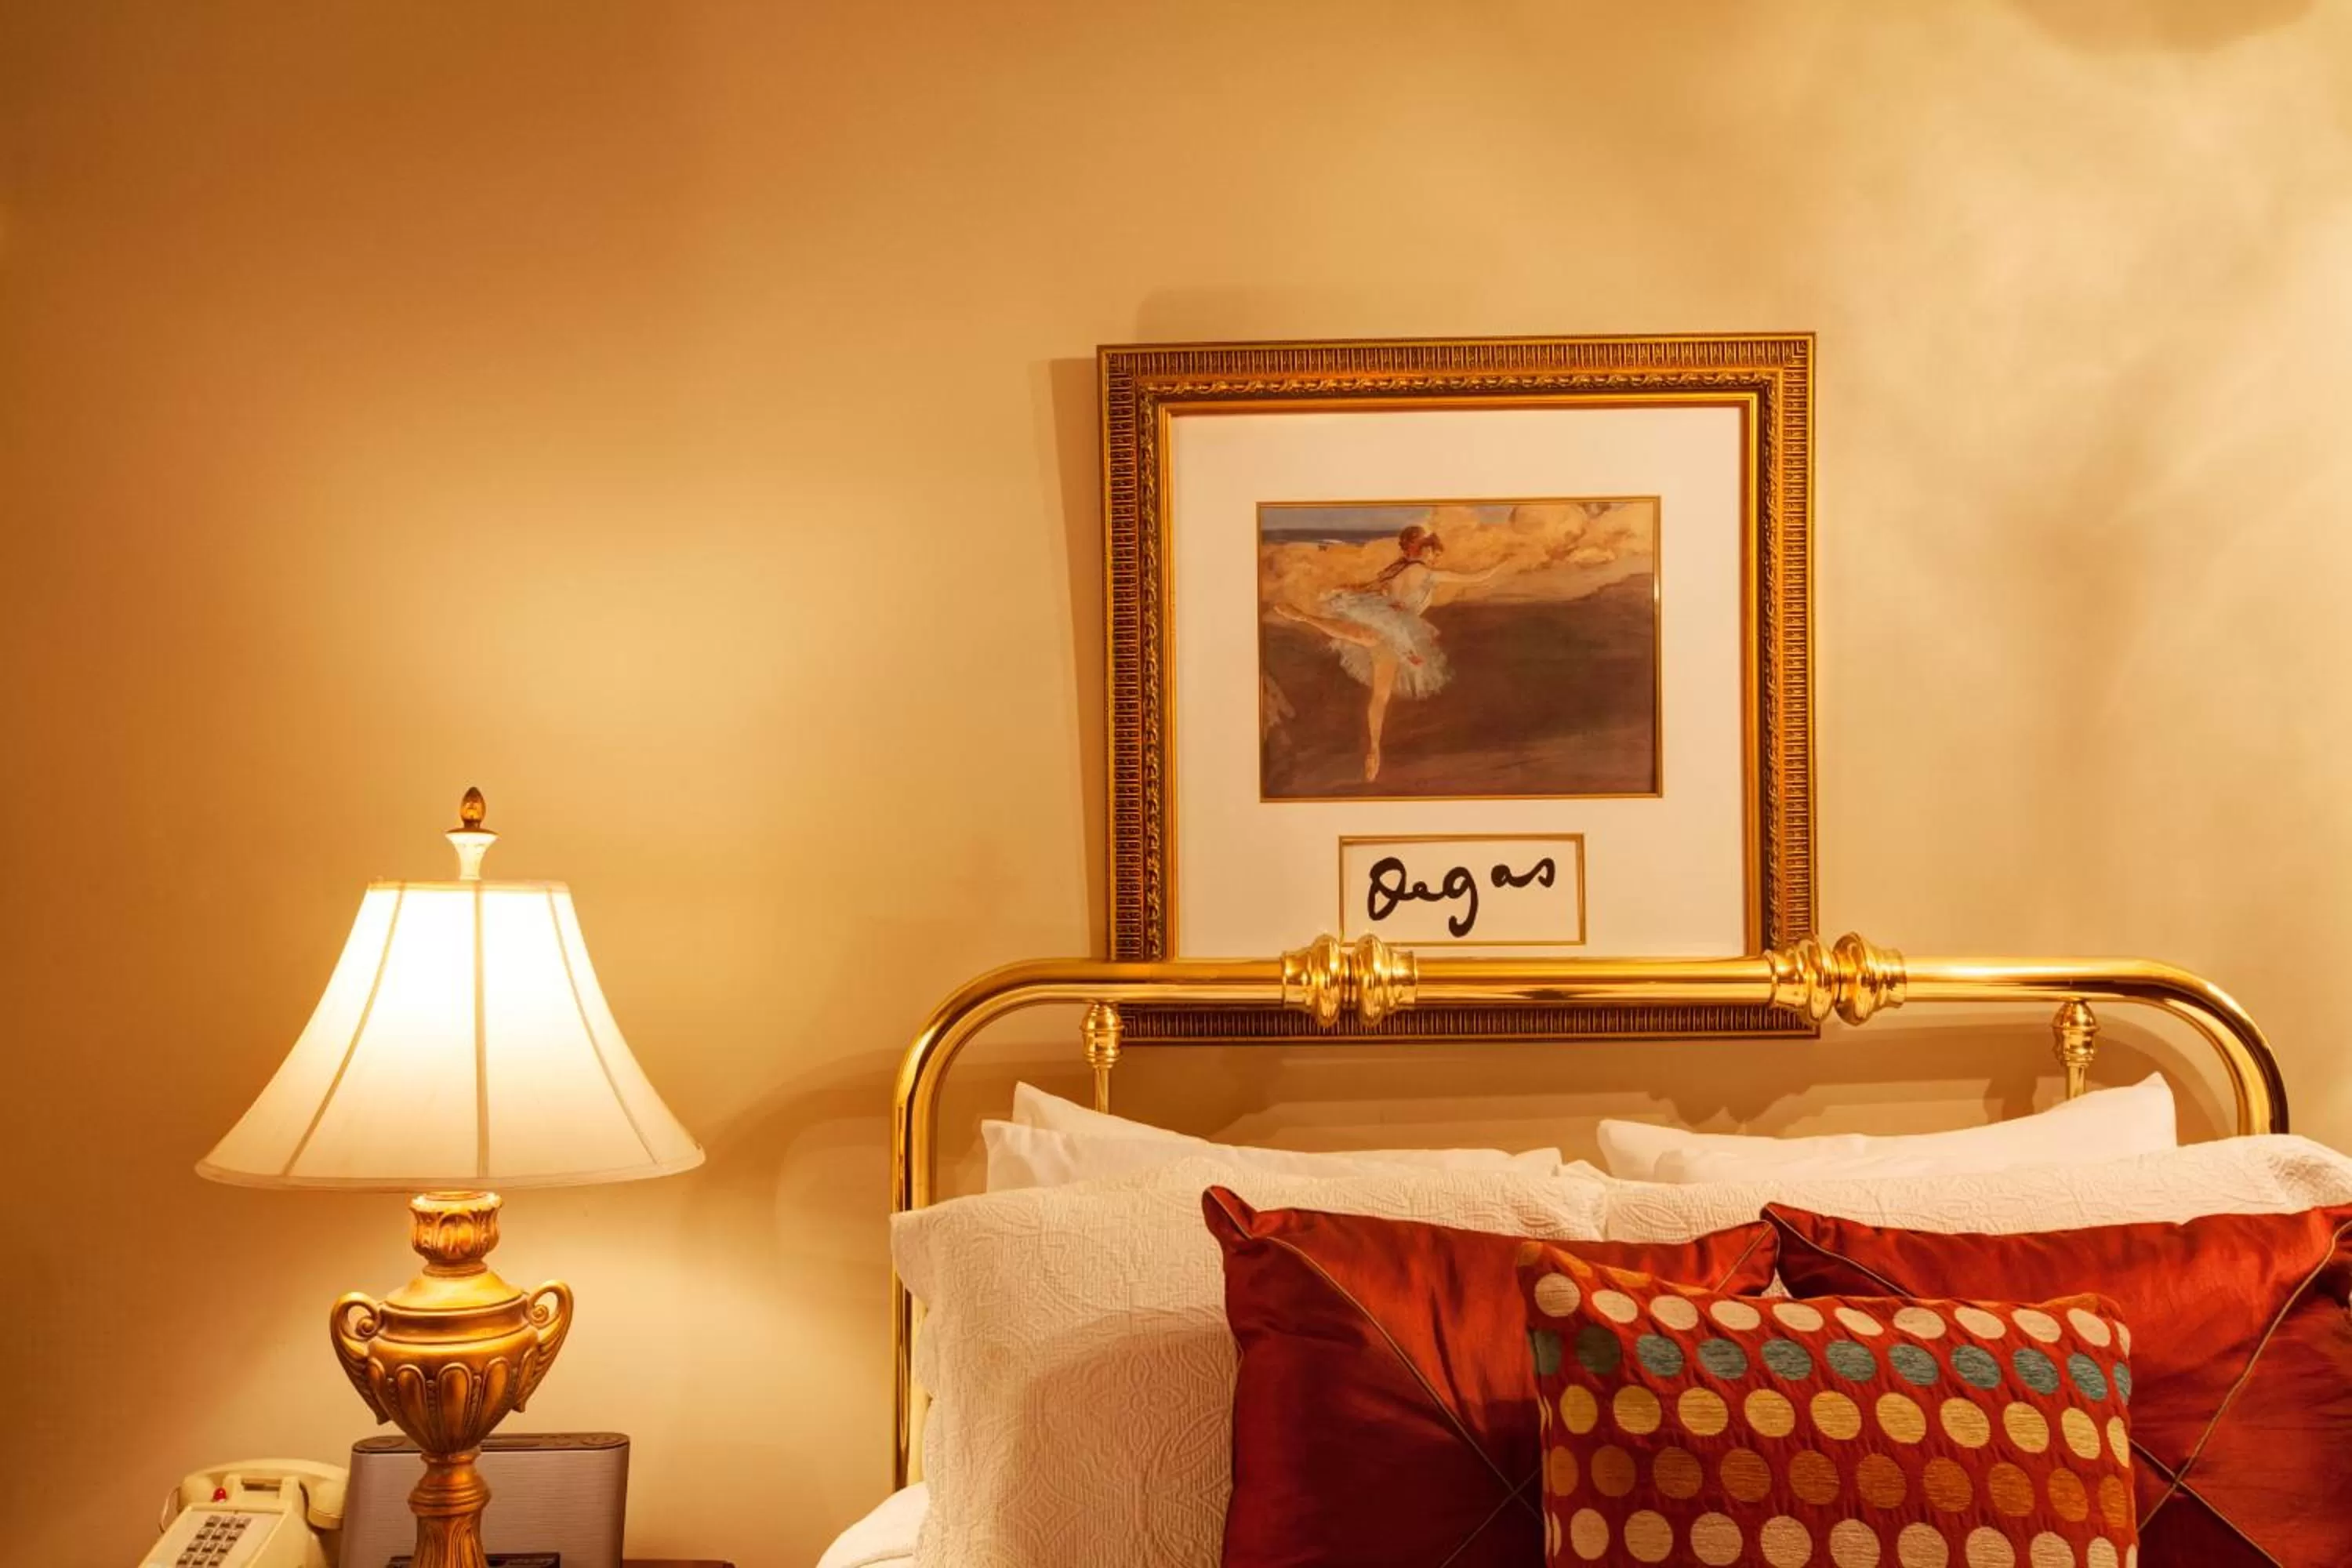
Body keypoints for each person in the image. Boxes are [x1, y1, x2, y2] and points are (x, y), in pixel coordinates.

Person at [1274, 524, 1501, 782]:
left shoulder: (1396, 571)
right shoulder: (1425, 572)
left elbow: (1368, 588)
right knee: (1376, 672)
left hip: (1389, 625)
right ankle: (1374, 748)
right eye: (1435, 552)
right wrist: (1500, 566)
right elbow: (1474, 578)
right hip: (1392, 627)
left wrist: (1345, 590)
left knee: (1377, 680)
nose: (1438, 558)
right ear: (1425, 550)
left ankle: (1373, 748)